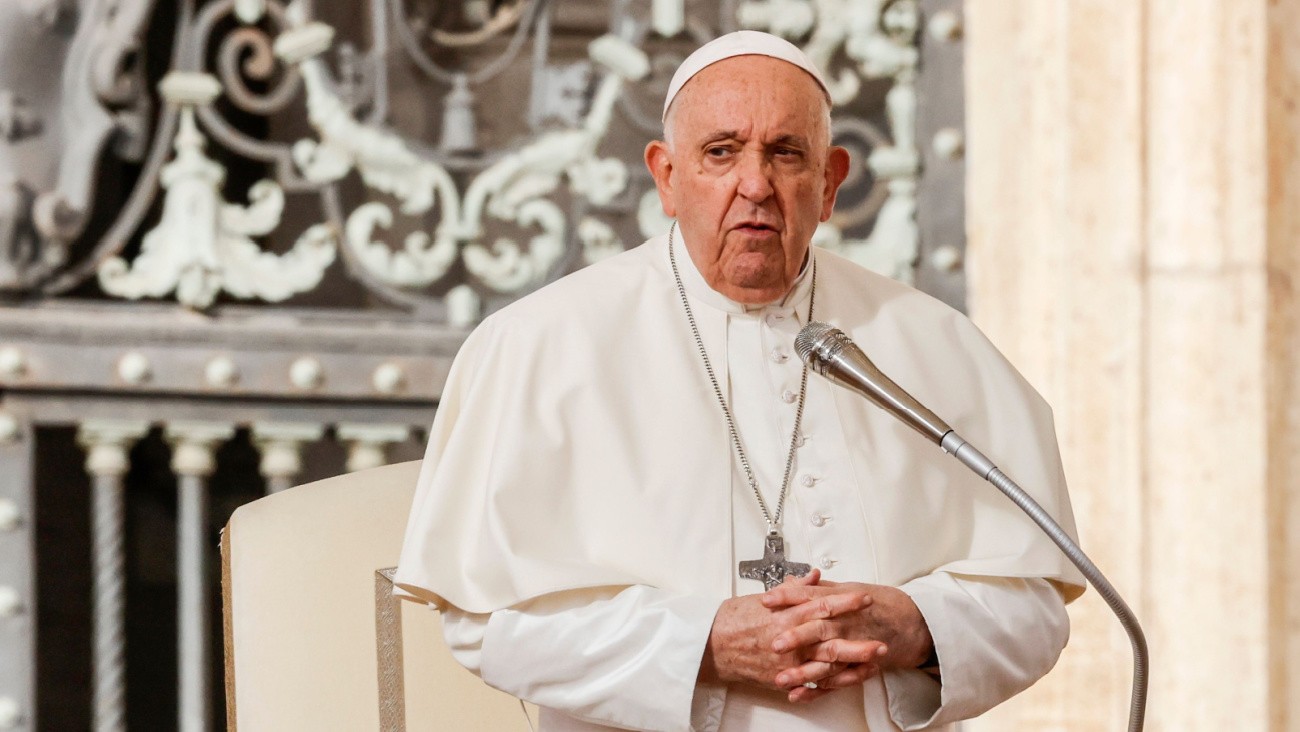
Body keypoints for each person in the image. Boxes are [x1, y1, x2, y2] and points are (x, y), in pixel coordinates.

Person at [396, 30, 1084, 732]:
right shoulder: (541, 345)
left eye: (786, 153)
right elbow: (484, 622)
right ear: (666, 176)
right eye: (721, 152)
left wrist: (919, 627)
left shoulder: (935, 346)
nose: (754, 184)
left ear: (829, 182)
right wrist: (701, 644)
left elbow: (1033, 604)